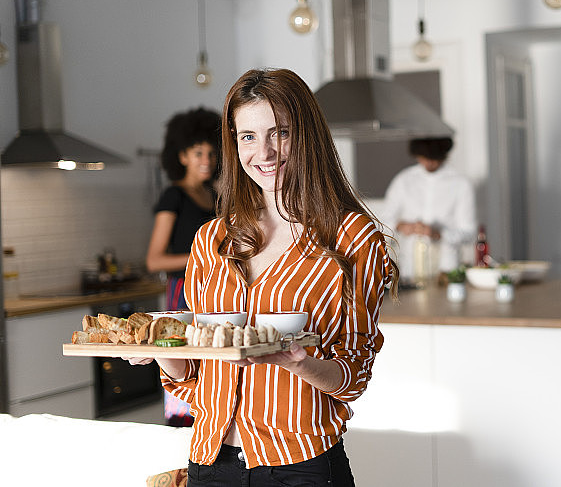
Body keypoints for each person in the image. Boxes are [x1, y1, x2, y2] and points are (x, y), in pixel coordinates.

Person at [130, 68, 397, 486]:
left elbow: (353, 376)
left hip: (299, 465)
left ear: (307, 136)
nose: (265, 152)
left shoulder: (351, 238)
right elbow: (192, 377)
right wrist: (160, 347)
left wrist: (301, 364)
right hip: (210, 464)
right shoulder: (211, 240)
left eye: (280, 133)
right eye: (248, 136)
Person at [146, 106, 221, 426]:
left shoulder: (214, 195)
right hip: (182, 294)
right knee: (182, 368)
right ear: (182, 156)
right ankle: (181, 433)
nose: (207, 160)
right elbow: (155, 260)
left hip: (213, 294)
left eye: (212, 153)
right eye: (198, 152)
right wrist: (203, 256)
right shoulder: (173, 196)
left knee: (210, 372)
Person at [382, 137, 476, 283]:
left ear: (444, 156)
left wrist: (438, 234)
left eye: (434, 159)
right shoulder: (403, 180)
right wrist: (400, 225)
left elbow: (469, 233)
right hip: (410, 272)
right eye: (424, 158)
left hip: (446, 272)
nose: (429, 163)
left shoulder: (461, 184)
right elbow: (383, 221)